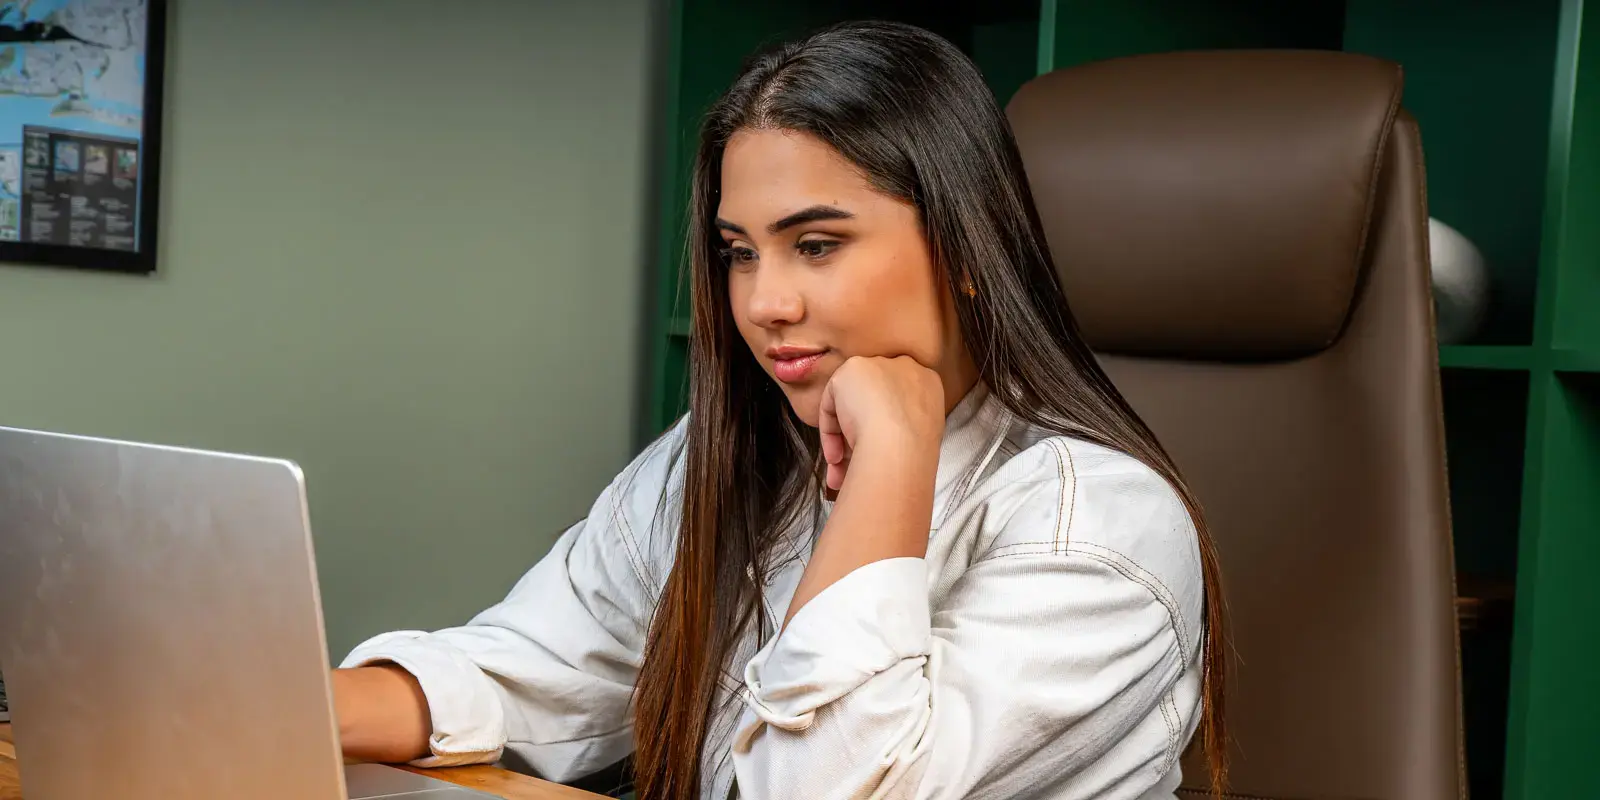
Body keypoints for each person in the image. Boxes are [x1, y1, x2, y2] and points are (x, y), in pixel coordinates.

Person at [332, 20, 1227, 800]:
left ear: (964, 245)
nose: (764, 303)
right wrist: (262, 703)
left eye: (816, 244)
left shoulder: (1100, 527)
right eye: (740, 253)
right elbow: (538, 670)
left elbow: (823, 786)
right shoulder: (731, 452)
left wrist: (892, 459)